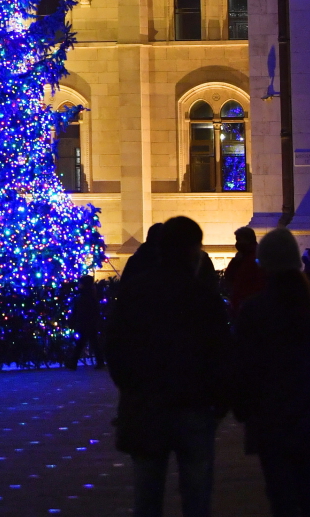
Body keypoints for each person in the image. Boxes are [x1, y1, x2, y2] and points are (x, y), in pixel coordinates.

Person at [105, 215, 229, 517]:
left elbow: (117, 348)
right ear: (193, 251)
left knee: (147, 497)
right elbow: (221, 355)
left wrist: (132, 388)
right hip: (194, 406)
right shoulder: (204, 298)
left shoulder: (135, 292)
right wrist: (218, 404)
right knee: (196, 498)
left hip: (147, 404)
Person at [233, 228, 310, 513]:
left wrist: (244, 407)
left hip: (272, 420)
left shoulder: (255, 310)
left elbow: (243, 366)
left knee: (282, 498)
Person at [220, 227, 267, 317]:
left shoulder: (256, 257)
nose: (237, 243)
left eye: (239, 239)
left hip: (250, 306)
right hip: (241, 303)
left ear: (247, 239)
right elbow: (229, 276)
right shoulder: (243, 257)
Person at [66, 274, 104, 369]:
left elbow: (77, 311)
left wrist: (73, 321)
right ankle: (99, 362)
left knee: (81, 343)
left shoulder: (82, 297)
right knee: (92, 343)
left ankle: (73, 363)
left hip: (84, 324)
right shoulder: (91, 296)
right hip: (89, 324)